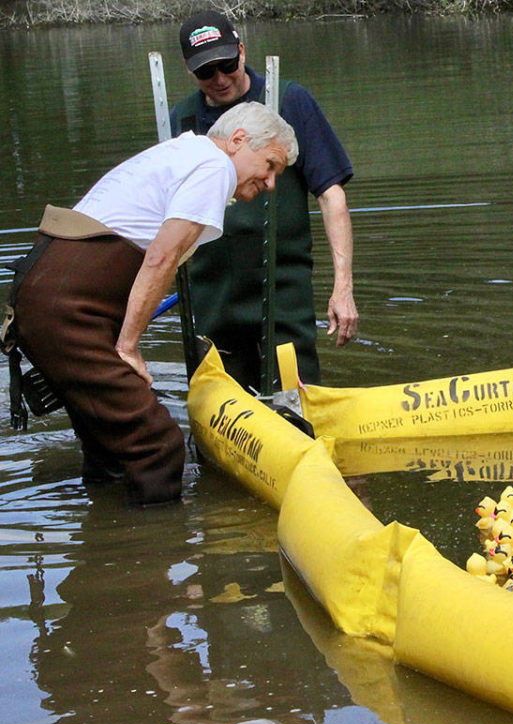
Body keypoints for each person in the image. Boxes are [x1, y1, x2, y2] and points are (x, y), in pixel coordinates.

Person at [7, 103, 298, 506]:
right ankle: (158, 541)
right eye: (269, 165)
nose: (270, 182)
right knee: (158, 445)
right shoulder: (214, 167)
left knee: (110, 447)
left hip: (43, 296)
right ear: (237, 140)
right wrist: (127, 347)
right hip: (67, 309)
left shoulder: (184, 153)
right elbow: (161, 257)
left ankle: (104, 533)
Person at [171, 9, 357, 392]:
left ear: (241, 51)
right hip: (214, 301)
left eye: (227, 64)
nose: (220, 79)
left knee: (295, 403)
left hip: (284, 296)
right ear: (189, 71)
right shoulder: (181, 121)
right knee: (223, 407)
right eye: (206, 71)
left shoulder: (288, 100)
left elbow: (331, 195)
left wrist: (343, 288)